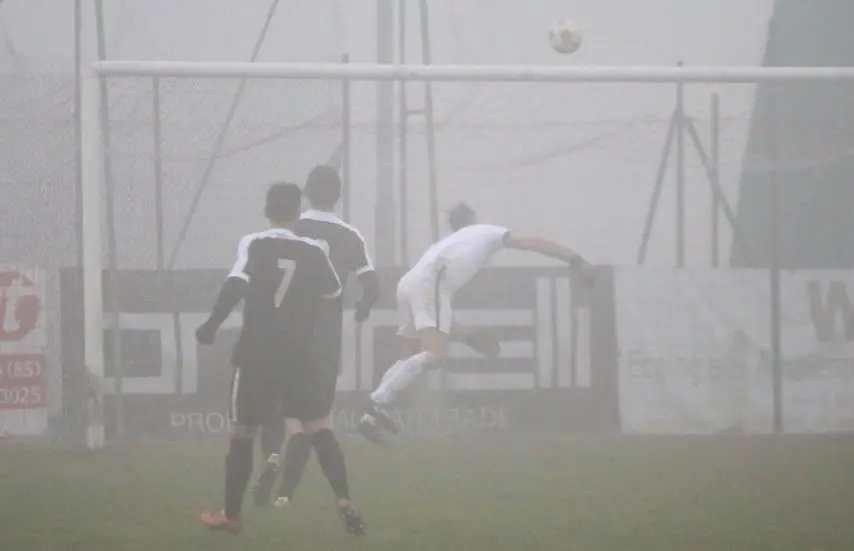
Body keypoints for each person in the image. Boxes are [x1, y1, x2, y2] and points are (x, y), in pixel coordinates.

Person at [196, 182, 365, 536]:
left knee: (243, 433)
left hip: (257, 352)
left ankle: (231, 514)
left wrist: (211, 324)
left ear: (266, 211)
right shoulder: (313, 251)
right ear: (297, 214)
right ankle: (345, 501)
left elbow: (236, 283)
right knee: (319, 426)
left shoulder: (255, 243)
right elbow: (334, 289)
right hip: (300, 354)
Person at [358, 202, 593, 444]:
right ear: (473, 220)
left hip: (408, 284)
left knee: (409, 353)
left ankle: (369, 417)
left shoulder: (446, 243)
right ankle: (377, 401)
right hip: (432, 282)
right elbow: (535, 243)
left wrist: (469, 336)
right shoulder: (488, 232)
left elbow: (445, 323)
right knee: (435, 355)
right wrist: (576, 260)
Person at [252, 164, 379, 509]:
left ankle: (273, 456)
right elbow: (372, 285)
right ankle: (284, 495)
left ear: (306, 192)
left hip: (286, 326)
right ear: (337, 195)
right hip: (325, 334)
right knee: (315, 416)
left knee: (280, 406)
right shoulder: (351, 235)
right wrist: (363, 308)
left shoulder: (294, 225)